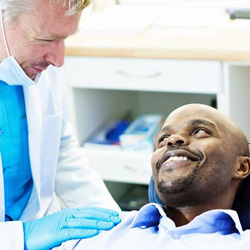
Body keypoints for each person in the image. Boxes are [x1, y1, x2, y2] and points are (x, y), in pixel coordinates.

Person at [0, 0, 121, 249]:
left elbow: (60, 147)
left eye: (64, 39)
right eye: (46, 39)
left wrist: (116, 226)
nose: (58, 59)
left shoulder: (40, 67)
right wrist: (18, 237)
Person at [53, 103, 250, 250]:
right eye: (163, 139)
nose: (173, 140)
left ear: (241, 167)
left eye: (199, 131)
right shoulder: (95, 234)